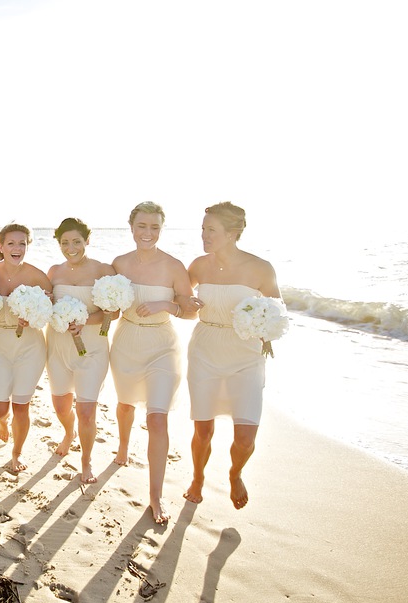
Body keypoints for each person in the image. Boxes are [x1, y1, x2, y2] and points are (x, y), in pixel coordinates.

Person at [183, 201, 281, 509]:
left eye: (211, 230)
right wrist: (186, 305)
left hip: (246, 355)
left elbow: (276, 312)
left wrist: (266, 333)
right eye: (203, 229)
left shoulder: (261, 268)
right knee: (203, 429)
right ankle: (198, 476)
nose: (204, 235)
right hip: (205, 350)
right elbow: (182, 304)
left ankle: (235, 473)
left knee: (245, 438)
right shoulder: (198, 266)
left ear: (232, 233)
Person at [110, 201, 194, 524]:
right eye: (142, 226)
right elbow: (110, 306)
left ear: (161, 229)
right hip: (127, 342)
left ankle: (155, 497)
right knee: (125, 405)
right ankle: (122, 445)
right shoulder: (118, 264)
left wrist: (166, 305)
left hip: (162, 346)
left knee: (157, 420)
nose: (148, 233)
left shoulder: (174, 266)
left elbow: (191, 309)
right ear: (131, 227)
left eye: (154, 227)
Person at [46, 218, 116, 484]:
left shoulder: (104, 270)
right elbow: (45, 305)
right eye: (65, 242)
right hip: (58, 347)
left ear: (88, 240)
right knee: (62, 406)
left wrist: (86, 320)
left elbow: (114, 312)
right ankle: (68, 432)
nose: (71, 247)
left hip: (93, 349)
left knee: (86, 410)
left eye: (77, 241)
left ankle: (86, 461)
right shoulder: (54, 272)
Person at [0, 223, 52, 473]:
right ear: (1, 247)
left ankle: (17, 453)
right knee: (0, 407)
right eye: (11, 243)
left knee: (21, 406)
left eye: (22, 243)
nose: (17, 248)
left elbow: (49, 310)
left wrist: (33, 316)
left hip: (30, 346)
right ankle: (2, 422)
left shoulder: (37, 275)